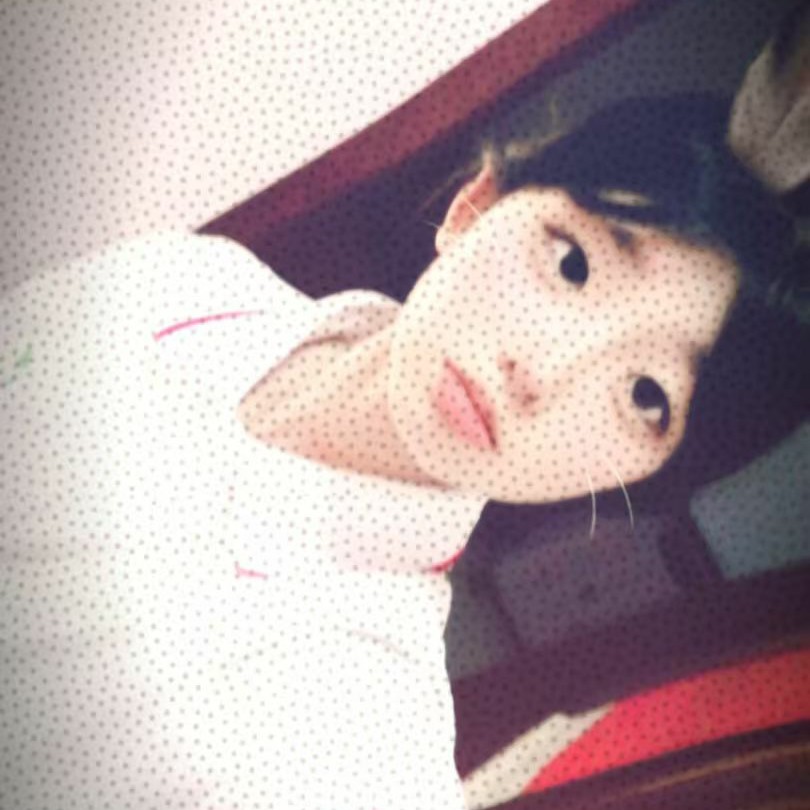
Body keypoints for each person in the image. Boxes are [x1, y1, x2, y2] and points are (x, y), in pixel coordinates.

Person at [0, 94, 799, 810]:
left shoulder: (359, 750)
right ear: (475, 205)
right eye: (573, 263)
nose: (542, 374)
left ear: (643, 476)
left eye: (646, 395)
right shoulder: (190, 278)